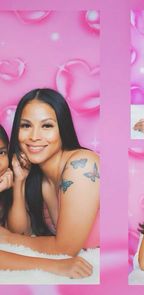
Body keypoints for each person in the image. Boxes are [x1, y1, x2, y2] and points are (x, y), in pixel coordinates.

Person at [0, 88, 99, 277]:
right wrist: (20, 182)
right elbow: (23, 234)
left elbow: (65, 248)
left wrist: (7, 238)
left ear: (63, 127)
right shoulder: (42, 178)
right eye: (26, 125)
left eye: (47, 126)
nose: (34, 136)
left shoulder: (82, 165)